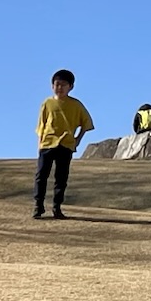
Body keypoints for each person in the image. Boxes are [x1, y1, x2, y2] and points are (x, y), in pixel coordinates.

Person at [34, 69, 94, 219]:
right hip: (47, 144)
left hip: (66, 145)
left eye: (63, 85)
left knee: (61, 178)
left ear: (71, 87)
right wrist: (40, 144)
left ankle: (57, 207)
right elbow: (41, 125)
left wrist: (77, 140)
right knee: (41, 176)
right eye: (57, 84)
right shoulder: (47, 103)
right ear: (52, 86)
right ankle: (38, 206)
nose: (59, 88)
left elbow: (86, 123)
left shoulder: (76, 105)